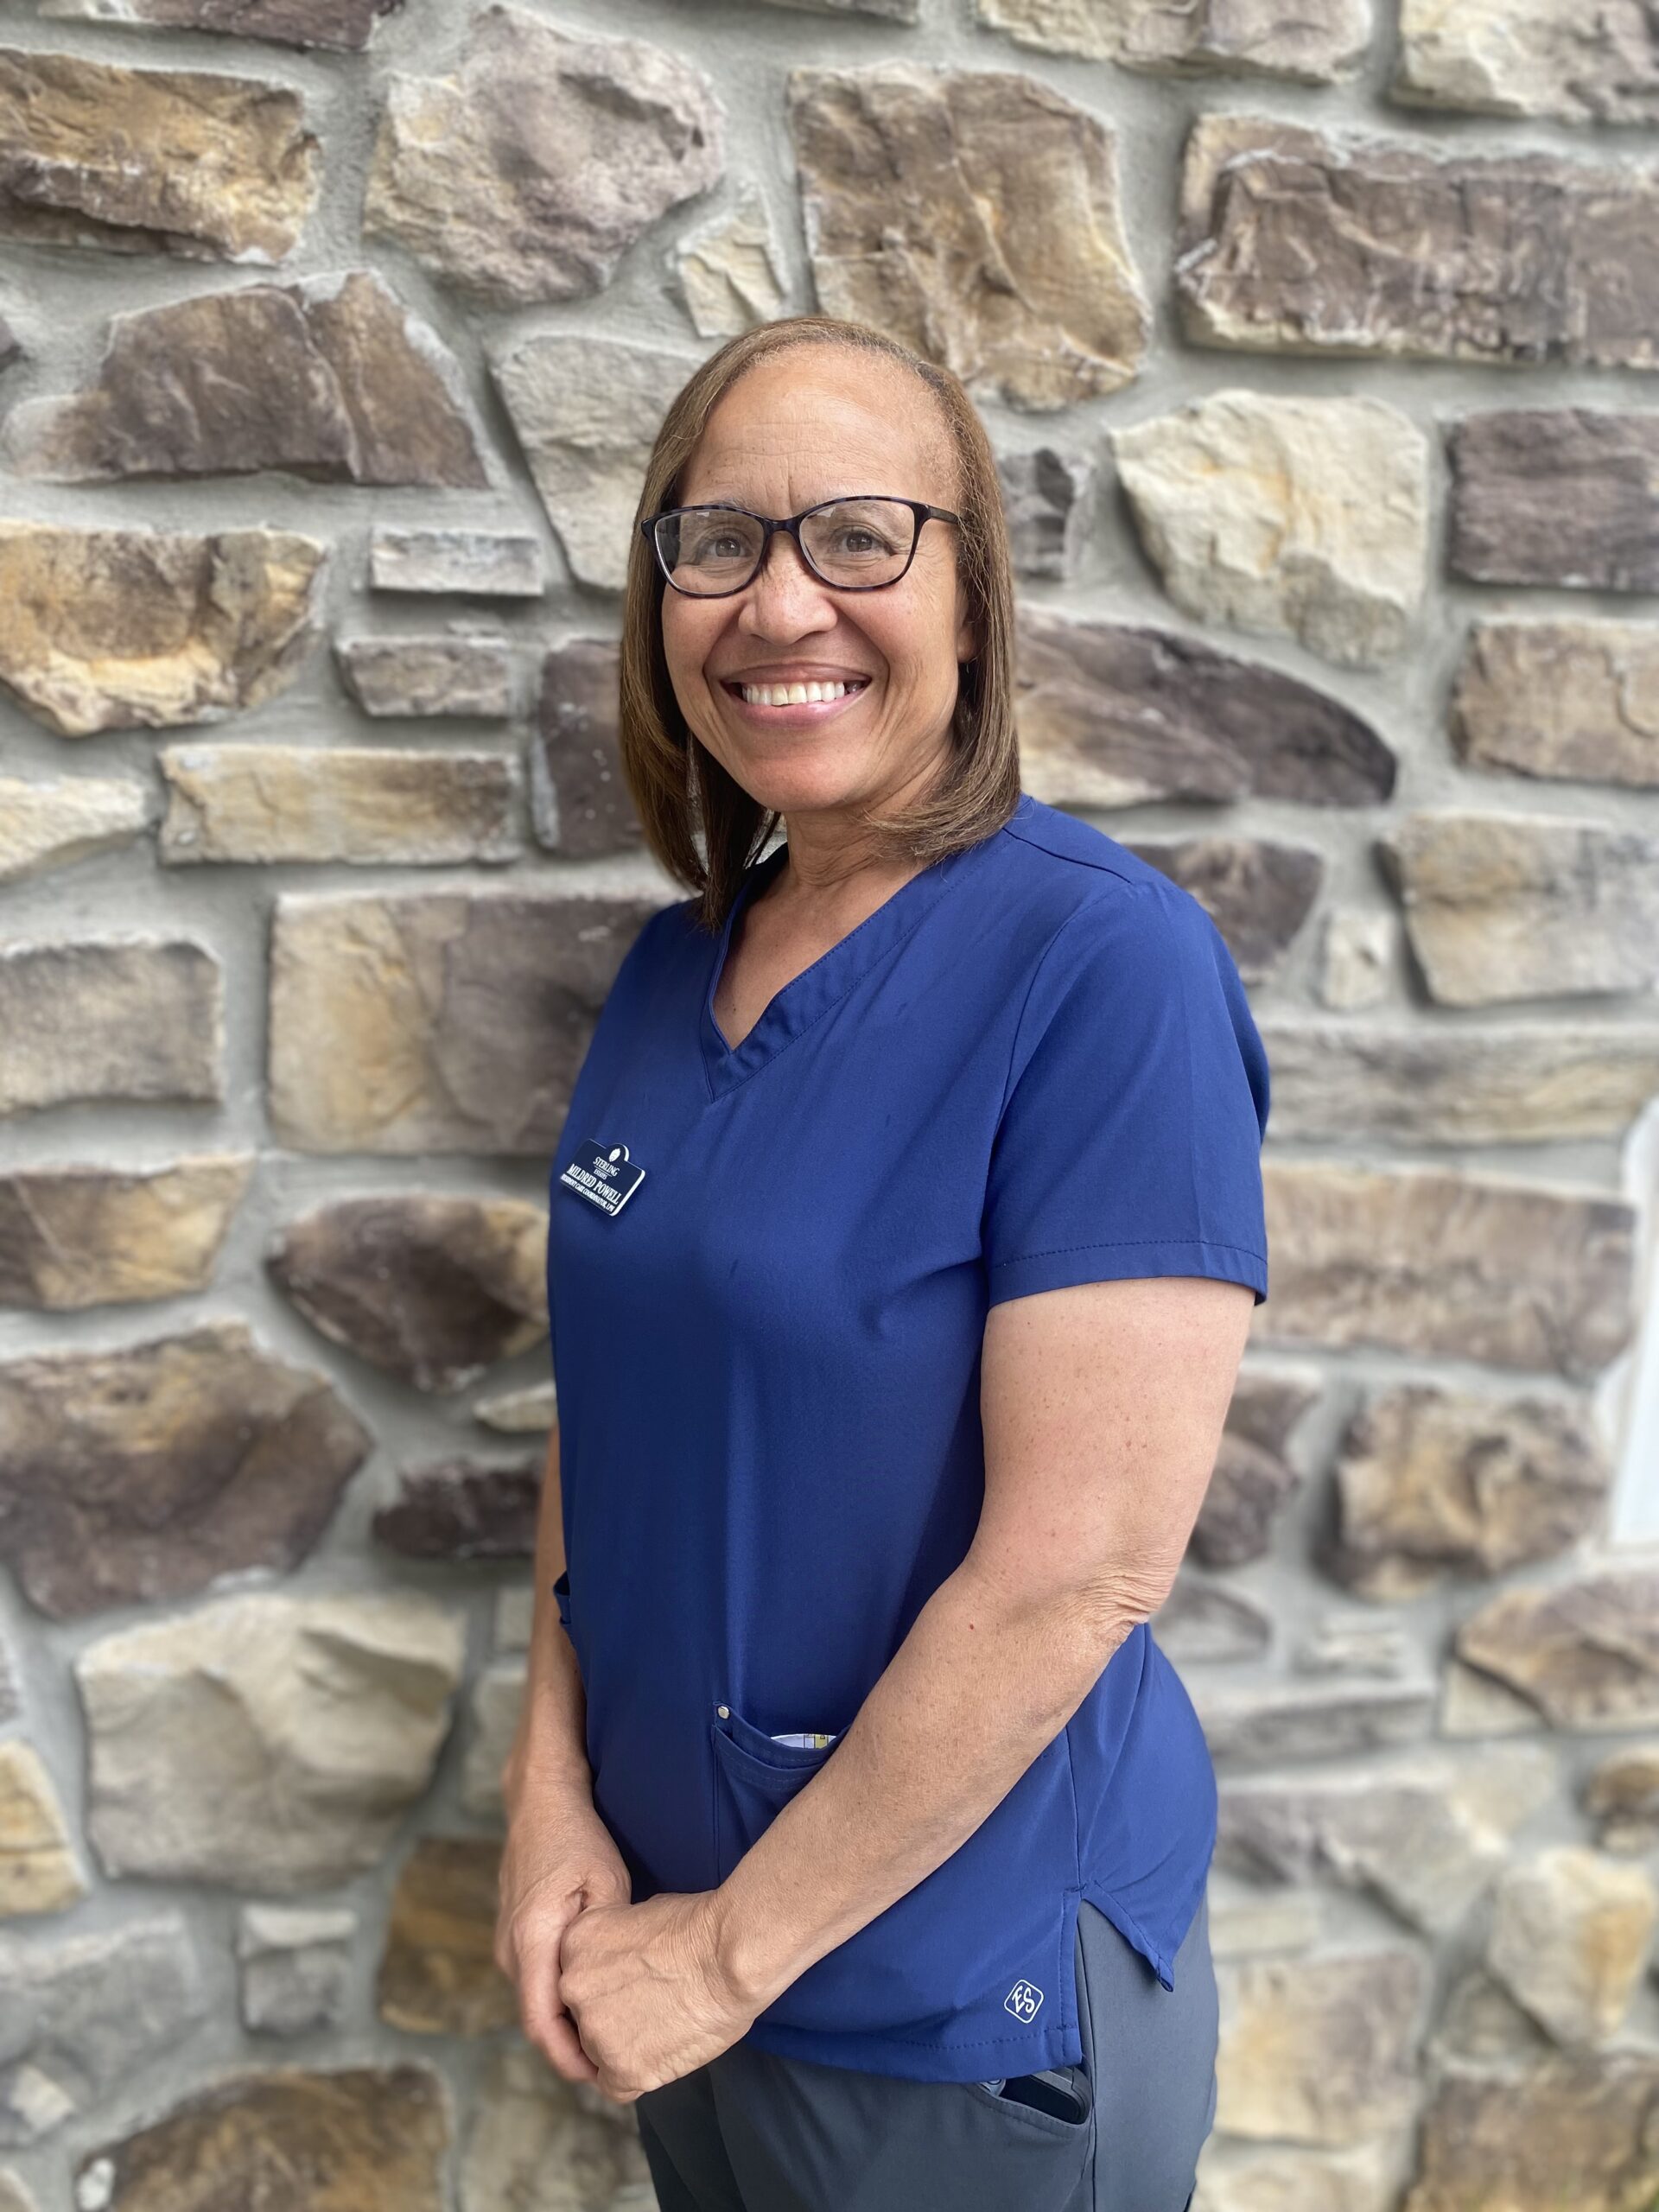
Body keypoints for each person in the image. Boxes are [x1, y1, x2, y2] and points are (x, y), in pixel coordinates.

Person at [494, 312, 1269, 2212]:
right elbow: (609, 1417)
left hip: (947, 1998)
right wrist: (549, 1794)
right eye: (718, 541)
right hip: (676, 1939)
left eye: (860, 534)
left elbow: (1080, 1571)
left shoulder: (1106, 969)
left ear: (974, 595)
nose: (781, 604)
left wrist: (729, 1951)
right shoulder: (676, 967)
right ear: (660, 600)